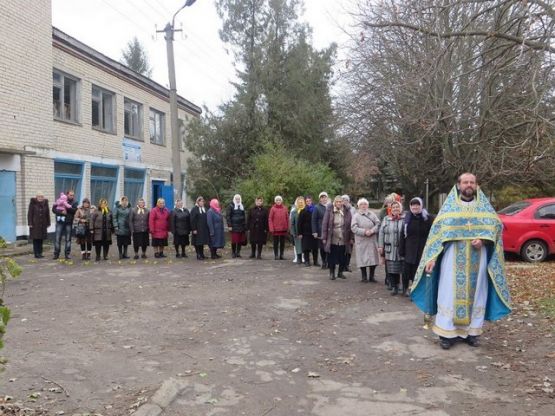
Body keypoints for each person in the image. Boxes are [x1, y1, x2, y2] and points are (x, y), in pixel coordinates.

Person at [411, 173, 511, 350]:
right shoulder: (449, 209)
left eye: (472, 182)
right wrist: (432, 257)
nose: (469, 185)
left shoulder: (485, 209)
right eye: (465, 182)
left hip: (477, 259)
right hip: (451, 259)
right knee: (449, 293)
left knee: (477, 293)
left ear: (477, 186)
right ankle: (446, 334)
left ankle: (471, 333)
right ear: (458, 185)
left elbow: (495, 229)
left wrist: (484, 240)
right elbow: (437, 234)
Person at [399, 197, 434, 296]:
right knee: (406, 271)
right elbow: (402, 235)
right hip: (409, 249)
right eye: (412, 205)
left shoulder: (428, 218)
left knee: (417, 271)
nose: (415, 207)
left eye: (417, 204)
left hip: (422, 249)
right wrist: (401, 250)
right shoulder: (407, 218)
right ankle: (405, 288)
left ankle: (415, 291)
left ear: (421, 206)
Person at [322, 196, 353, 280]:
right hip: (332, 237)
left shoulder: (347, 211)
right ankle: (332, 273)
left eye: (340, 202)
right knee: (332, 256)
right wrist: (324, 237)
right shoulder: (329, 211)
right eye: (337, 202)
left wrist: (351, 238)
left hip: (344, 237)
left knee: (343, 256)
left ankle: (340, 272)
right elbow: (325, 224)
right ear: (334, 202)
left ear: (343, 202)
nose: (339, 203)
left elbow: (351, 225)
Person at [351, 198, 380, 283]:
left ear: (367, 205)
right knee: (362, 259)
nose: (363, 206)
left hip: (371, 239)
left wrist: (372, 230)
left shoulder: (372, 214)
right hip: (361, 240)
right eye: (361, 204)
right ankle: (364, 276)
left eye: (365, 204)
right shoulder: (356, 216)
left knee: (373, 258)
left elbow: (378, 224)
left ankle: (371, 276)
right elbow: (353, 227)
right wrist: (364, 232)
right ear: (358, 206)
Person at [379, 200, 405, 295]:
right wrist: (380, 246)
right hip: (390, 248)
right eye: (393, 207)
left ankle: (402, 286)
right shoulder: (386, 219)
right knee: (391, 269)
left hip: (402, 249)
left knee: (402, 268)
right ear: (391, 209)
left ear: (400, 208)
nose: (395, 209)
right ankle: (394, 286)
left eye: (397, 207)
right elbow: (381, 232)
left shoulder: (405, 218)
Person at [52, 189, 78, 260]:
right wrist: (61, 212)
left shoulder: (75, 202)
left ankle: (67, 254)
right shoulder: (60, 199)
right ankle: (56, 254)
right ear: (67, 194)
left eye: (73, 195)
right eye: (70, 195)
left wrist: (66, 206)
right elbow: (53, 209)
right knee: (57, 238)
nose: (72, 196)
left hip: (68, 223)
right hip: (59, 222)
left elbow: (74, 210)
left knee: (68, 239)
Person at [27, 191, 50, 259]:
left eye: (42, 196)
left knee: (41, 239)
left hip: (43, 224)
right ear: (36, 197)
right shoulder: (33, 203)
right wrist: (30, 223)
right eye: (39, 196)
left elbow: (47, 214)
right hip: (35, 224)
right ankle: (36, 253)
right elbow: (30, 214)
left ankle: (40, 253)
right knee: (36, 239)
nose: (40, 198)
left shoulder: (45, 203)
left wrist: (48, 223)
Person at [298, 195, 319, 267]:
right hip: (305, 232)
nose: (308, 202)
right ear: (305, 202)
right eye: (307, 201)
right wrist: (300, 233)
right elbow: (299, 223)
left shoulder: (315, 209)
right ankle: (307, 261)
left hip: (314, 232)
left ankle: (315, 261)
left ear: (311, 201)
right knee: (306, 248)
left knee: (315, 248)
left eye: (309, 201)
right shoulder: (303, 211)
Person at [226, 194, 247, 258]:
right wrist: (229, 225)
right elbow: (228, 216)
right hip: (234, 226)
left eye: (239, 199)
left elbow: (244, 216)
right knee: (234, 240)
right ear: (234, 199)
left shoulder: (241, 206)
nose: (238, 200)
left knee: (240, 240)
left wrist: (245, 225)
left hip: (241, 226)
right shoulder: (231, 206)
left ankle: (238, 252)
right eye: (236, 199)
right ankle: (233, 252)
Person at [312, 191, 329, 269]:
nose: (324, 199)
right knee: (322, 247)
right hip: (320, 230)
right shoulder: (316, 207)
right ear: (320, 199)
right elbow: (313, 220)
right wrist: (314, 231)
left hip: (330, 230)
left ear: (327, 198)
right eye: (322, 197)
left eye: (325, 197)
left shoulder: (330, 206)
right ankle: (324, 262)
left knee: (329, 246)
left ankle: (329, 261)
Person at [268, 195, 289, 260]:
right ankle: (276, 255)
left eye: (279, 200)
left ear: (281, 201)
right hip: (275, 229)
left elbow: (287, 218)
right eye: (277, 200)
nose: (278, 201)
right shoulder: (273, 208)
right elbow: (270, 219)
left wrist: (288, 227)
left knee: (282, 243)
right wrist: (271, 228)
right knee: (275, 243)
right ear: (275, 201)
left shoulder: (285, 208)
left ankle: (281, 255)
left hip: (283, 228)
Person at [341, 195, 356, 272]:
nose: (344, 201)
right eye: (343, 200)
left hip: (351, 231)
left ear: (348, 201)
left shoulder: (353, 209)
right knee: (343, 250)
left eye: (346, 200)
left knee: (350, 249)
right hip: (343, 232)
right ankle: (342, 265)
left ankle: (347, 265)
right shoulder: (340, 209)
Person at [290, 196, 305, 265]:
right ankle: (299, 258)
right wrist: (293, 232)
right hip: (297, 232)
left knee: (304, 245)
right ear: (297, 203)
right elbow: (292, 223)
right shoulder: (294, 211)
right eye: (299, 202)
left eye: (302, 202)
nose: (301, 203)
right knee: (298, 245)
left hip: (305, 232)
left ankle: (305, 258)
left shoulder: (306, 210)